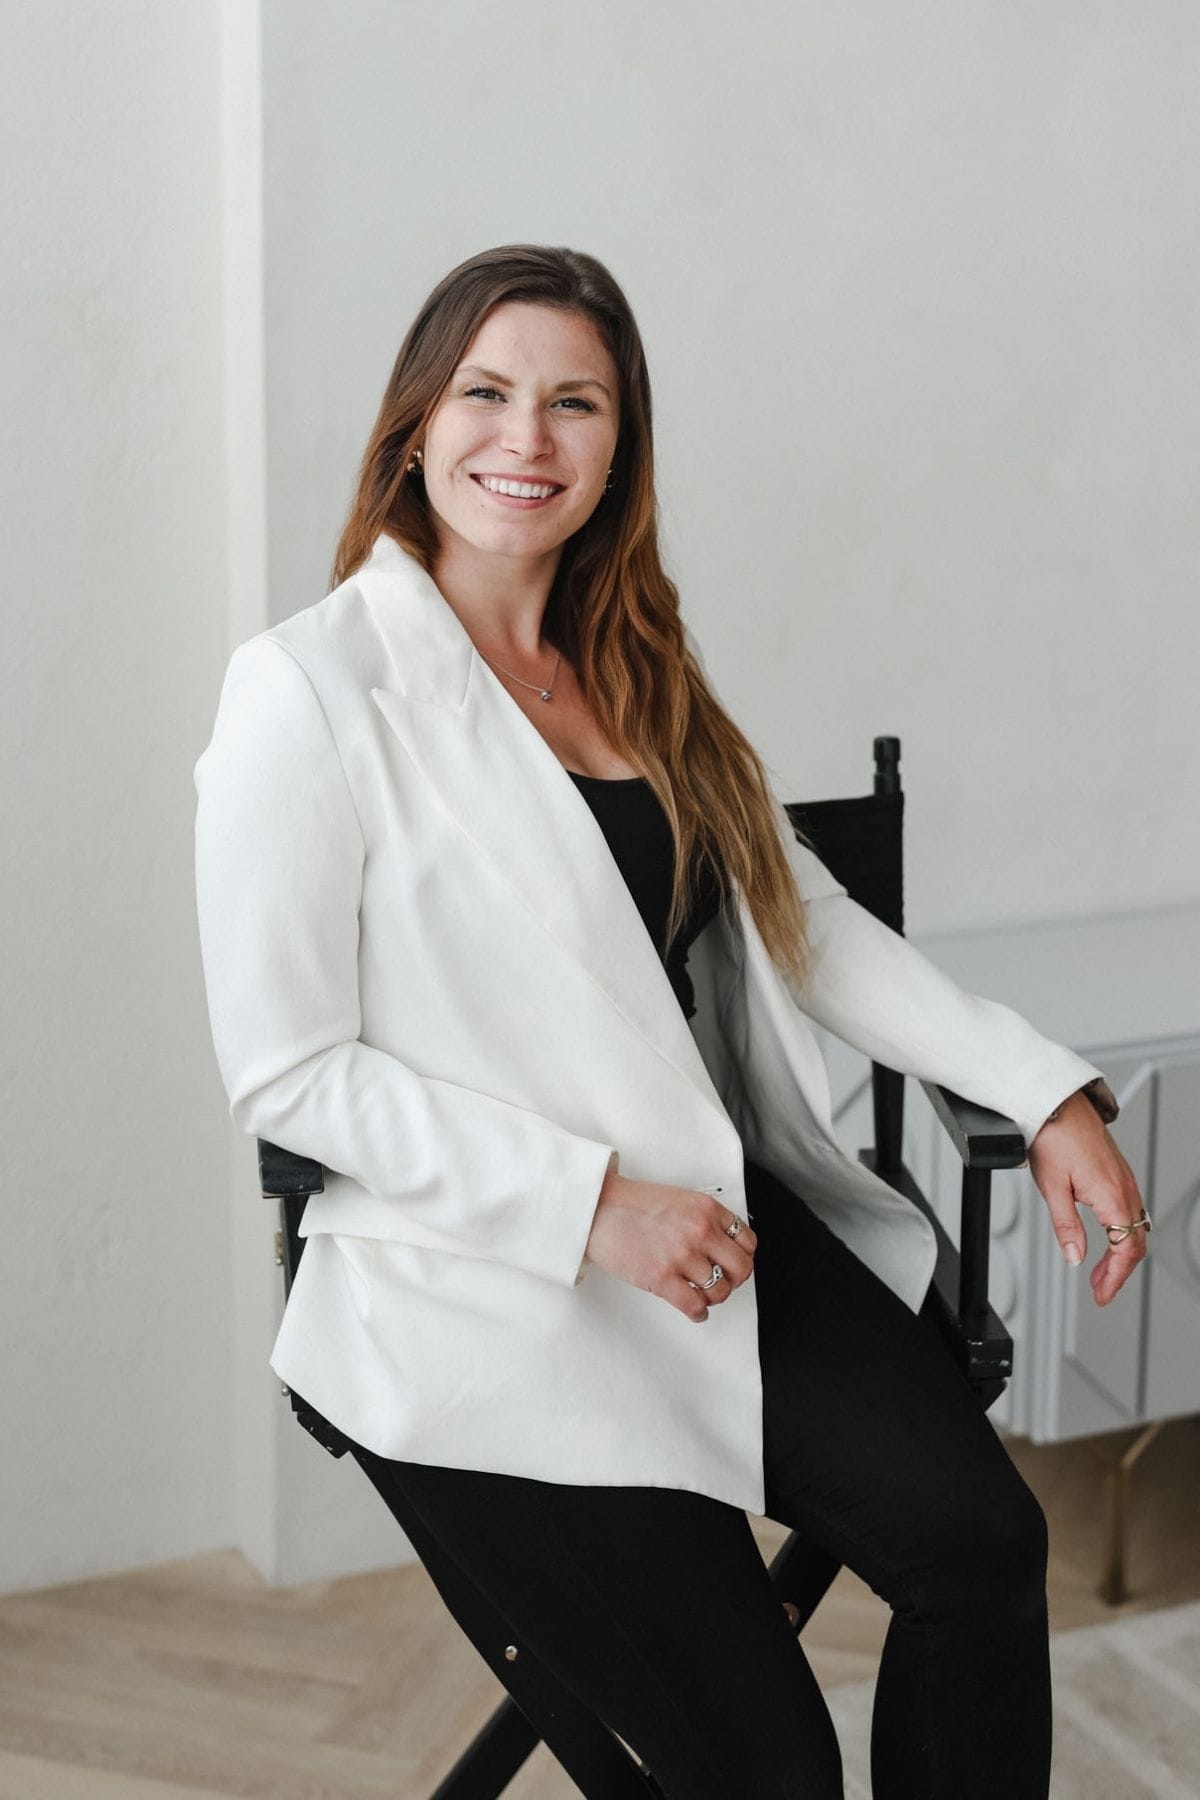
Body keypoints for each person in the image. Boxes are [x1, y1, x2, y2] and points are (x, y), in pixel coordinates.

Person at [193, 244, 1150, 1799]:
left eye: (577, 403)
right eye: (490, 393)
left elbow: (803, 920)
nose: (529, 439)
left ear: (619, 446)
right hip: (486, 1280)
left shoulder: (639, 662)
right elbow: (290, 1070)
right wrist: (586, 1208)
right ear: (418, 422)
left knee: (984, 1548)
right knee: (764, 1768)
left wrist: (1041, 1093)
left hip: (721, 1235)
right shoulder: (306, 692)